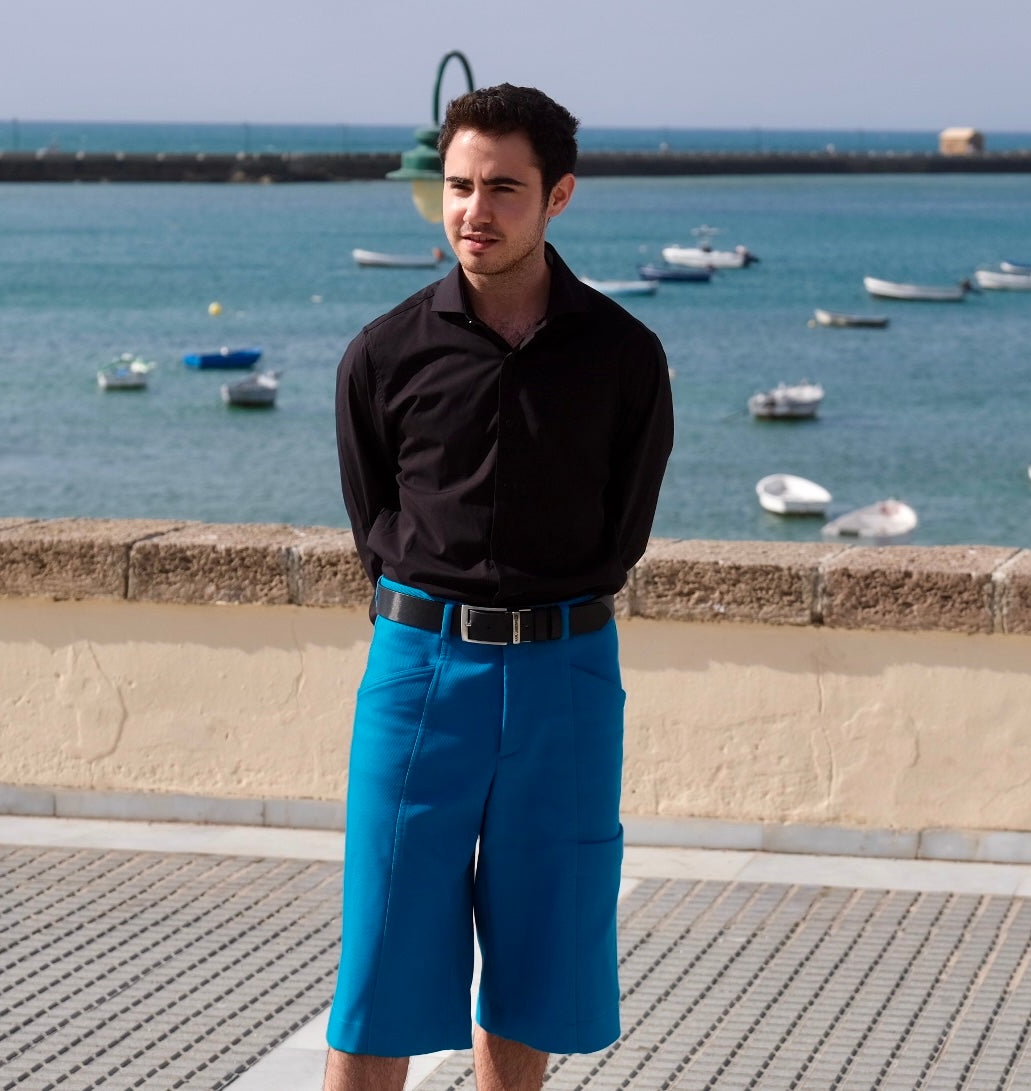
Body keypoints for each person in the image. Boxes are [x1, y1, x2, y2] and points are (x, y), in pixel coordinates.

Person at [327, 84, 673, 1091]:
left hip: (567, 672)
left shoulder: (622, 355)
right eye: (458, 185)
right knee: (380, 954)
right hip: (418, 667)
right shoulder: (383, 353)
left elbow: (624, 525)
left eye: (502, 188)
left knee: (539, 952)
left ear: (557, 195)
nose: (474, 210)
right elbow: (373, 520)